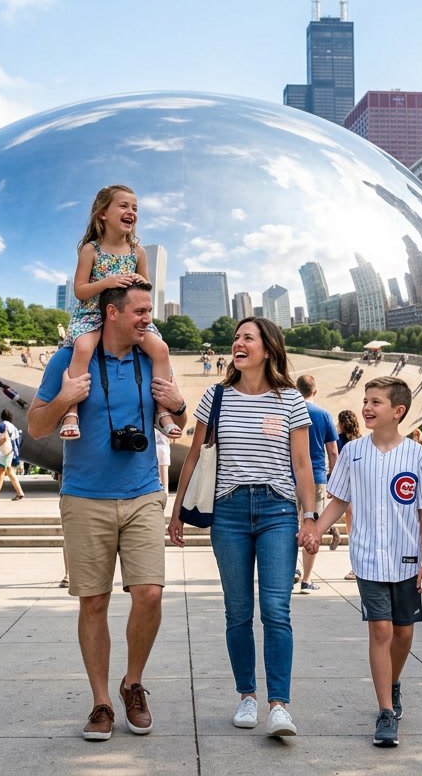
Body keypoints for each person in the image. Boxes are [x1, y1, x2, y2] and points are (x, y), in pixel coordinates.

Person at [28, 281, 187, 742]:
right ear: (112, 313)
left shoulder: (152, 356)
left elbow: (178, 417)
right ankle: (101, 702)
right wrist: (65, 400)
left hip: (142, 493)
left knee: (150, 595)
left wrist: (176, 406)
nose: (148, 319)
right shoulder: (69, 359)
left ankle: (132, 683)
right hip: (84, 496)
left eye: (149, 311)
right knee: (93, 600)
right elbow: (36, 427)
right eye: (139, 311)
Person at [168, 316, 314, 738]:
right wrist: (178, 510)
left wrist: (309, 516)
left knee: (276, 611)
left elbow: (302, 465)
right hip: (228, 512)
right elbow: (194, 457)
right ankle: (247, 696)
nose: (238, 343)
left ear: (267, 348)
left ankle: (279, 705)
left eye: (247, 337)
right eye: (235, 338)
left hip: (277, 511)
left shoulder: (290, 401)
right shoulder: (215, 397)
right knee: (237, 611)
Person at [302, 376, 422, 748]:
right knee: (380, 630)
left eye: (376, 402)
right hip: (368, 559)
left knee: (404, 633)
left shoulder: (416, 455)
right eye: (366, 401)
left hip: (407, 558)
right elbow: (339, 500)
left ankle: (393, 682)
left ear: (397, 412)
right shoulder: (353, 452)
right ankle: (385, 711)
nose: (367, 407)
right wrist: (316, 528)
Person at [57, 185, 179, 443]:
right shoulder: (91, 249)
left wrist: (138, 279)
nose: (131, 212)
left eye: (134, 208)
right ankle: (71, 411)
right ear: (103, 213)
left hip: (126, 318)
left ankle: (163, 411)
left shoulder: (138, 251)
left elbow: (146, 288)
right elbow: (80, 290)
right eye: (123, 206)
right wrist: (107, 282)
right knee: (82, 348)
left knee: (161, 350)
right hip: (91, 315)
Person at [294, 374, 338, 593]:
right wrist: (335, 482)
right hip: (317, 478)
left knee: (289, 526)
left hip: (289, 476)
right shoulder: (324, 414)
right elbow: (332, 451)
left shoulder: (290, 411)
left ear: (296, 389)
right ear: (315, 391)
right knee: (313, 528)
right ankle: (307, 579)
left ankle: (291, 570)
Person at [337, 409, 362, 579]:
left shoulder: (339, 441)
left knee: (352, 533)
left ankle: (356, 568)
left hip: (348, 490)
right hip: (362, 489)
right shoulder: (361, 441)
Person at [0, 410, 25, 501]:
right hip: (11, 451)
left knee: (2, 472)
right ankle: (18, 493)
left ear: (1, 416)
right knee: (6, 471)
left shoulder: (2, 425)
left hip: (4, 452)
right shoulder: (14, 427)